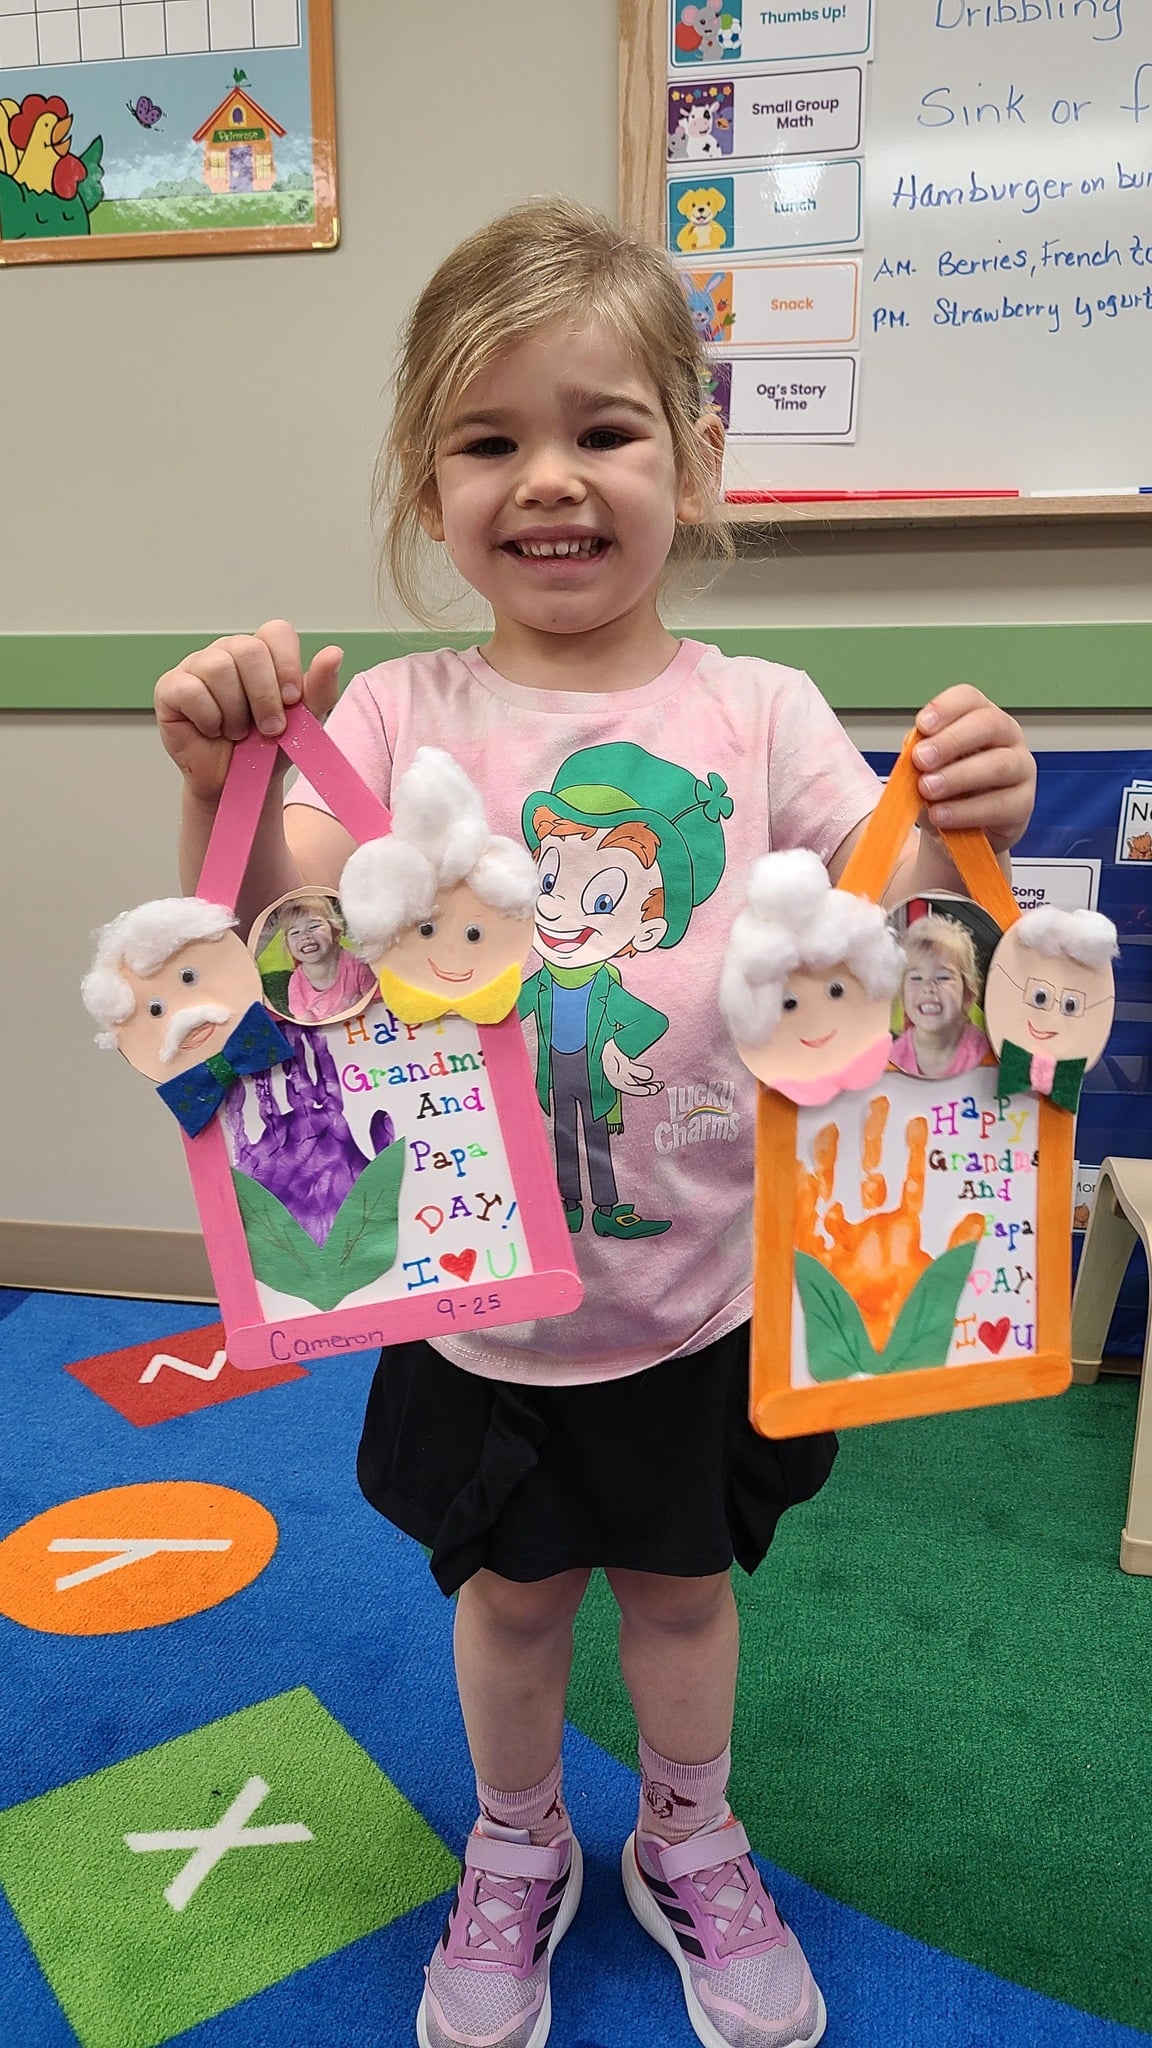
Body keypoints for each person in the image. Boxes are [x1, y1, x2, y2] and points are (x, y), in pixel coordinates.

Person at [152, 198, 1037, 2048]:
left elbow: (887, 939)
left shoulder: (761, 709)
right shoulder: (393, 714)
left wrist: (982, 816)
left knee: (684, 1595)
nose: (547, 478)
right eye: (489, 439)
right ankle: (516, 1837)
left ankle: (692, 1831)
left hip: (701, 1298)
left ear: (694, 460)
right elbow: (268, 948)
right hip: (478, 1314)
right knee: (513, 1602)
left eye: (603, 427)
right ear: (426, 480)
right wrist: (213, 783)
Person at [889, 912, 992, 1080]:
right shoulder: (894, 1056)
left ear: (968, 993)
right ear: (902, 993)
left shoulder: (983, 1056)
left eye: (943, 977)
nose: (928, 987)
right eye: (916, 978)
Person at [278, 893, 378, 1023]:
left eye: (314, 926)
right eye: (295, 932)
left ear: (335, 931)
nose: (305, 936)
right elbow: (306, 1025)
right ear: (288, 945)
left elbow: (377, 1007)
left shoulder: (356, 966)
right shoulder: (297, 984)